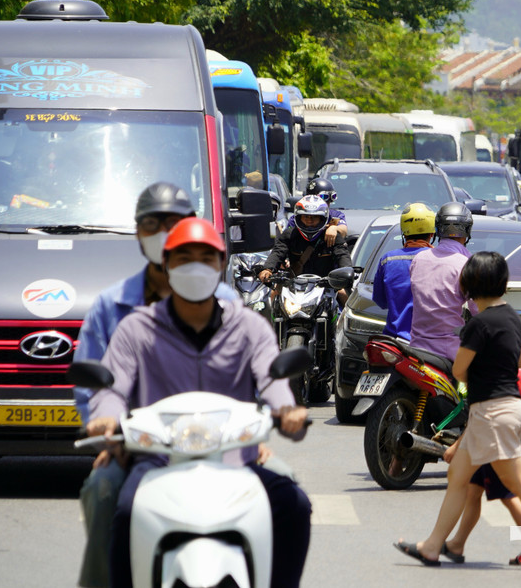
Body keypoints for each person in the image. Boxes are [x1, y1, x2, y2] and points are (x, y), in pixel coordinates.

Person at [86, 218, 312, 588]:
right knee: (125, 513)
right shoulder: (136, 329)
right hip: (157, 460)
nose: (195, 266)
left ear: (221, 264)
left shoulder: (249, 327)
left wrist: (286, 410)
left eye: (205, 258)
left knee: (295, 506)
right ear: (166, 266)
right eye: (184, 257)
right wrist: (106, 420)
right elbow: (112, 386)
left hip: (236, 459)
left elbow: (272, 378)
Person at [74, 182, 238, 588]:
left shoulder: (230, 303)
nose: (164, 232)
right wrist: (109, 434)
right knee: (104, 488)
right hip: (139, 447)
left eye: (175, 222)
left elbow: (249, 378)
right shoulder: (110, 306)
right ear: (138, 234)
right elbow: (92, 384)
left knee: (284, 499)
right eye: (153, 223)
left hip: (219, 445)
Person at [395, 251, 521, 566]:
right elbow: (520, 361)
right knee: (460, 477)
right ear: (503, 283)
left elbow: (458, 370)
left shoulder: (478, 325)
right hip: (506, 407)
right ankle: (436, 546)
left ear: (468, 286)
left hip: (492, 412)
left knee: (518, 484)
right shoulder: (511, 317)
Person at [436, 436, 521, 567]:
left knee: (507, 495)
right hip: (488, 438)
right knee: (474, 490)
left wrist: (456, 446)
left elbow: (478, 418)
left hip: (492, 438)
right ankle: (457, 543)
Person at [407, 203, 474, 362]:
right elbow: (479, 309)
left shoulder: (419, 259)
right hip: (449, 351)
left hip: (416, 347)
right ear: (467, 230)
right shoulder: (466, 264)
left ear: (437, 229)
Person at [259, 194, 353, 303]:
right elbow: (278, 252)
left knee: (344, 295)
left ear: (322, 218)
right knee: (274, 294)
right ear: (298, 217)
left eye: (314, 217)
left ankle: (347, 320)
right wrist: (267, 269)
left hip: (327, 286)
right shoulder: (289, 235)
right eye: (306, 217)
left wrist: (346, 275)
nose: (309, 220)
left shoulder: (332, 237)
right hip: (294, 285)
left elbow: (342, 256)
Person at [376, 203, 436, 340]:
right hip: (430, 344)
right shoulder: (441, 260)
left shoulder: (388, 260)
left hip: (394, 342)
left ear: (404, 232)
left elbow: (381, 301)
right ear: (432, 234)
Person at [281, 179, 347, 247]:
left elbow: (344, 230)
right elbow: (287, 239)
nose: (327, 204)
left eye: (329, 201)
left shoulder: (335, 216)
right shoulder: (297, 218)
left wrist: (334, 228)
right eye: (306, 217)